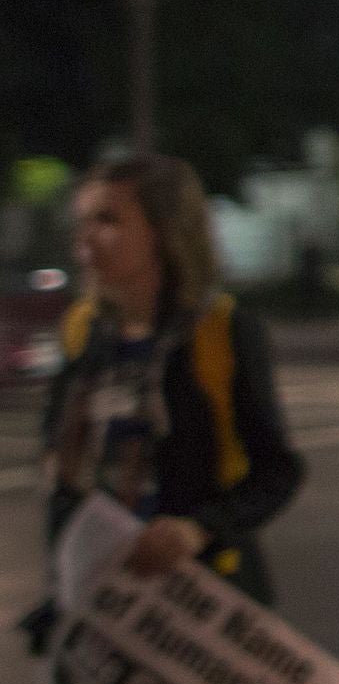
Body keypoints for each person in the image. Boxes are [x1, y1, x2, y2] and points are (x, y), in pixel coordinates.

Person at [27, 155, 304, 652]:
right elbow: (62, 472)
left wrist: (197, 531)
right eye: (83, 222)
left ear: (165, 231)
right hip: (102, 606)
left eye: (108, 220)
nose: (85, 239)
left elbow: (278, 472)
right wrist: (60, 592)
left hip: (201, 610)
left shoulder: (222, 331)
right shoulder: (82, 329)